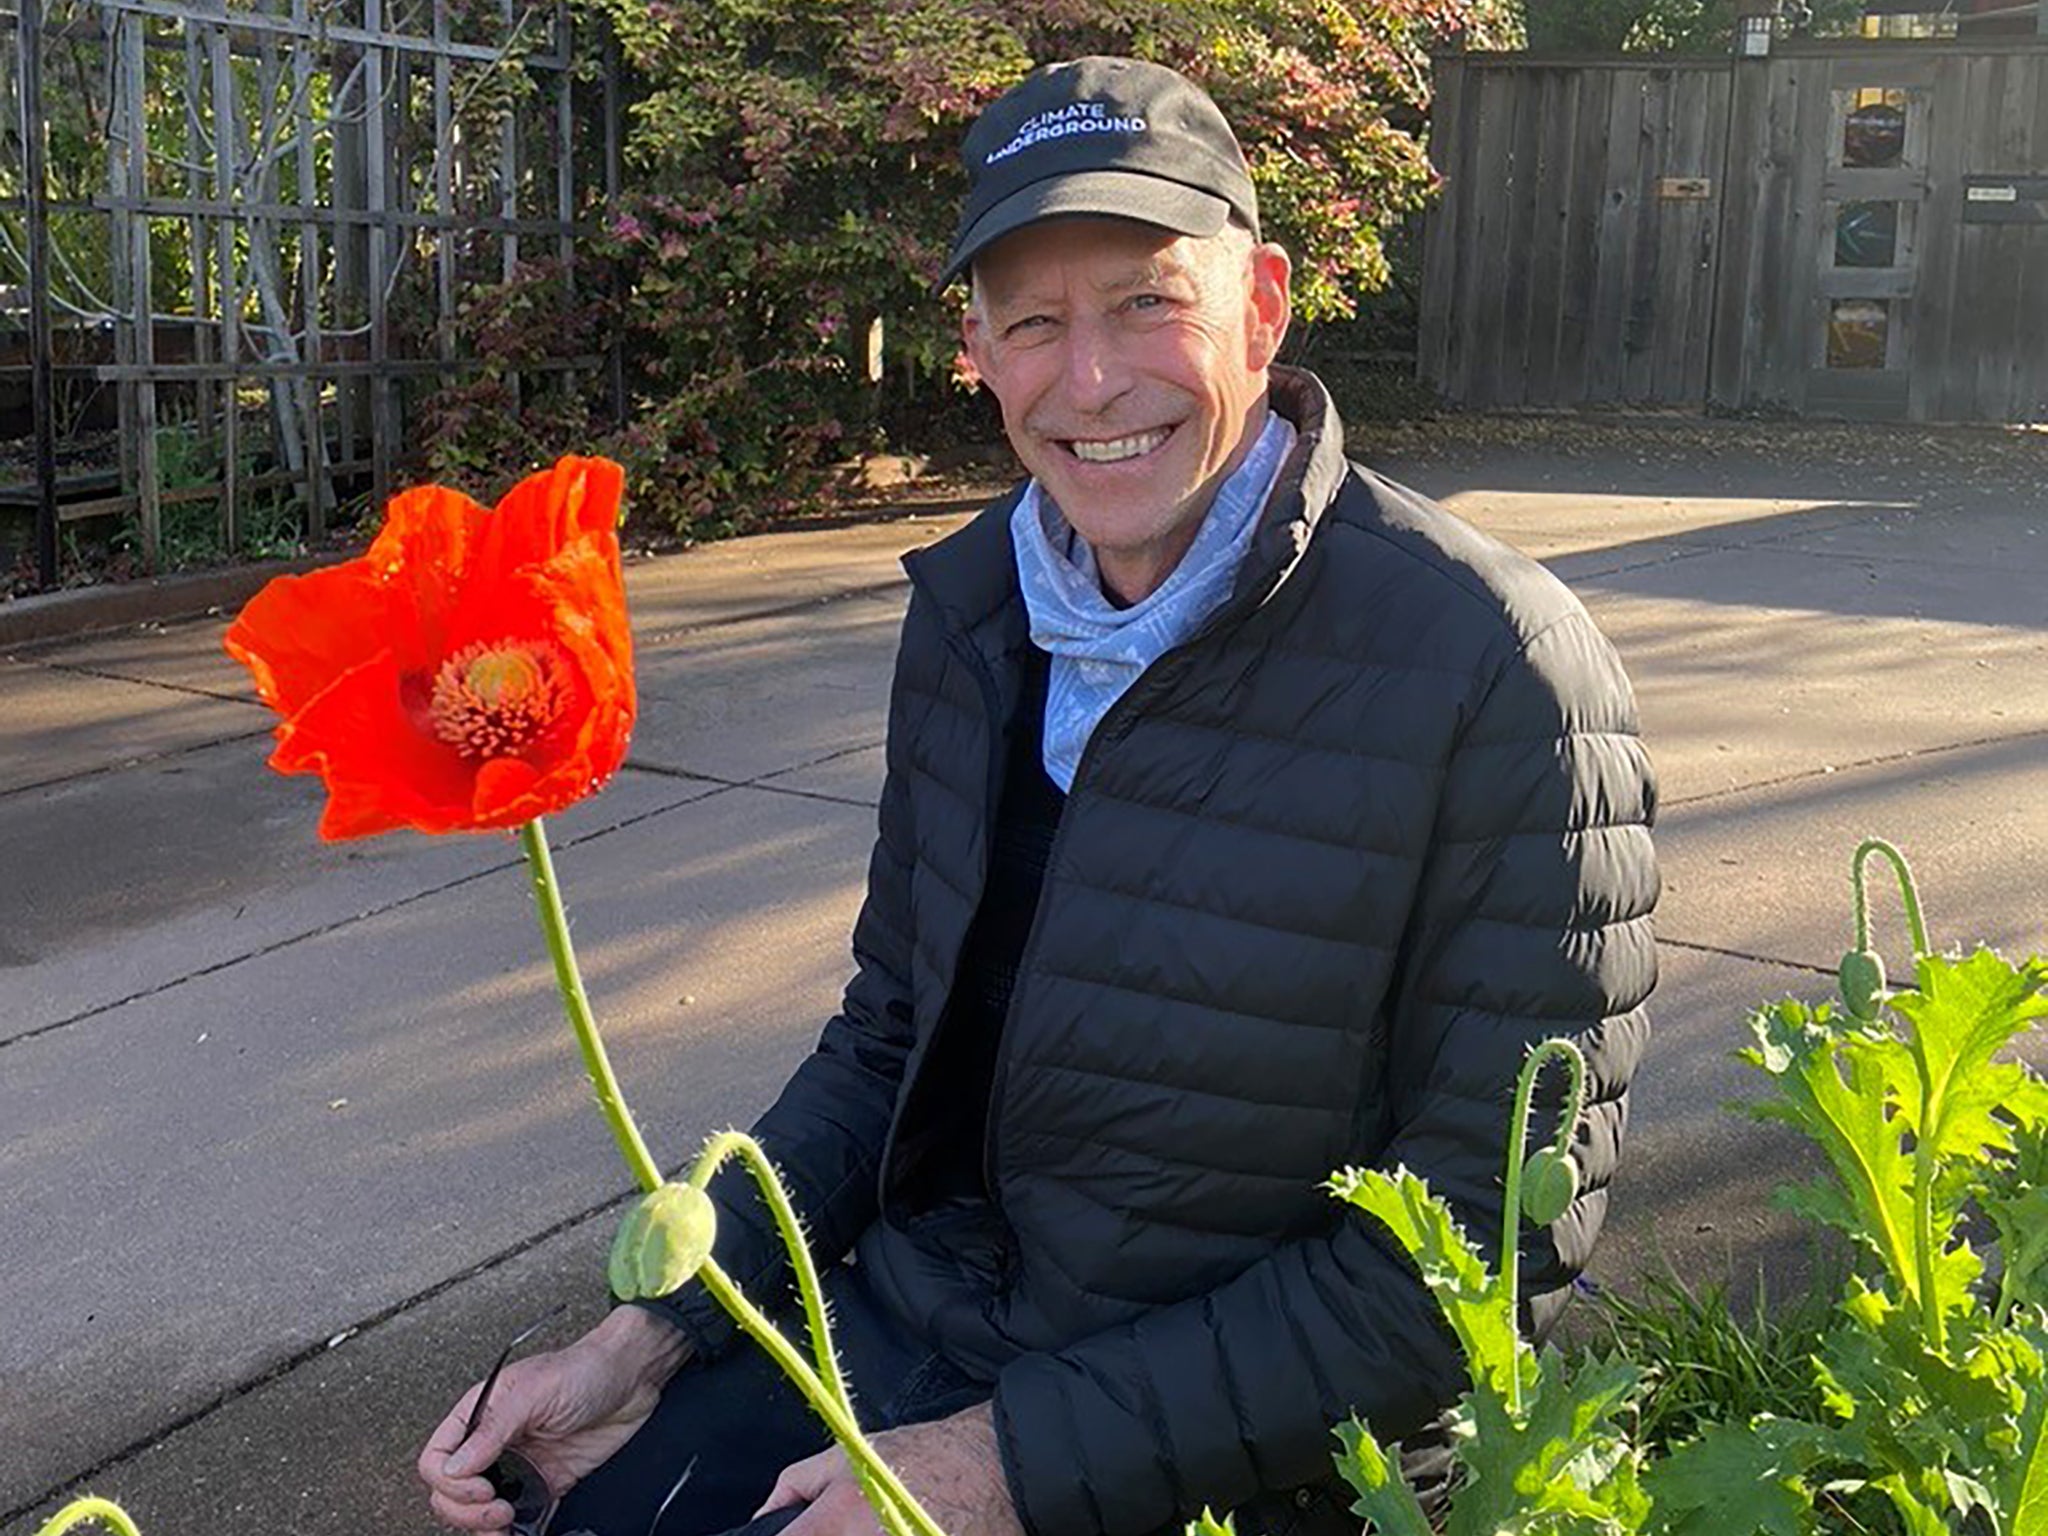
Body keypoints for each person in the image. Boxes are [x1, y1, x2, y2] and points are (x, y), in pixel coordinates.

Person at [419, 54, 1657, 1536]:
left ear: (1260, 306)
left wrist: (999, 1466)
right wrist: (655, 1331)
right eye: (1034, 322)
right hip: (918, 1333)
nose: (1091, 381)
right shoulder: (972, 614)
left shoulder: (1494, 666)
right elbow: (889, 1046)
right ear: (979, 351)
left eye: (1148, 301)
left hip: (1256, 1450)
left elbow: (1474, 1260)